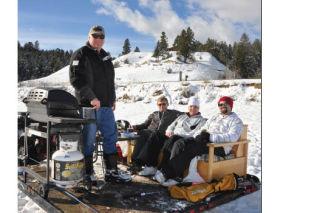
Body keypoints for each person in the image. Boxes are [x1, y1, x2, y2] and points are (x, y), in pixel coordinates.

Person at [69, 25, 131, 185]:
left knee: (111, 137)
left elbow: (110, 82)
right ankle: (87, 174)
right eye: (95, 36)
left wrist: (113, 99)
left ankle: (111, 172)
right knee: (88, 140)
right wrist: (91, 98)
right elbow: (76, 80)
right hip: (89, 106)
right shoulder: (81, 54)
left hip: (106, 107)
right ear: (89, 37)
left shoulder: (105, 56)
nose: (98, 39)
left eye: (101, 37)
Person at [154, 96, 243, 185]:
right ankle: (176, 174)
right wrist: (198, 136)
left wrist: (210, 137)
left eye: (225, 104)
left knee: (192, 149)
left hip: (220, 147)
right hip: (206, 141)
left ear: (231, 106)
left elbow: (232, 137)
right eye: (220, 104)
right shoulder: (215, 117)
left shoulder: (236, 121)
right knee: (181, 143)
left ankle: (167, 173)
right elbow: (203, 128)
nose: (222, 106)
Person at [137, 97, 207, 176]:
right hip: (172, 136)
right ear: (188, 107)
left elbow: (194, 134)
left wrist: (177, 135)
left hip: (182, 140)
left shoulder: (201, 121)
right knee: (156, 135)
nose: (192, 109)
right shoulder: (182, 117)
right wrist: (169, 131)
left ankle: (163, 170)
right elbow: (171, 126)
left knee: (174, 140)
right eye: (191, 106)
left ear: (198, 108)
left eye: (195, 107)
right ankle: (151, 166)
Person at [130, 96, 182, 171]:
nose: (161, 106)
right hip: (150, 132)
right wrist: (135, 127)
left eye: (163, 104)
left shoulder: (173, 113)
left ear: (167, 104)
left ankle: (139, 162)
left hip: (160, 135)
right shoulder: (154, 114)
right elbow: (145, 125)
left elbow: (187, 114)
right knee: (142, 132)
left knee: (150, 135)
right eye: (159, 104)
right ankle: (134, 161)